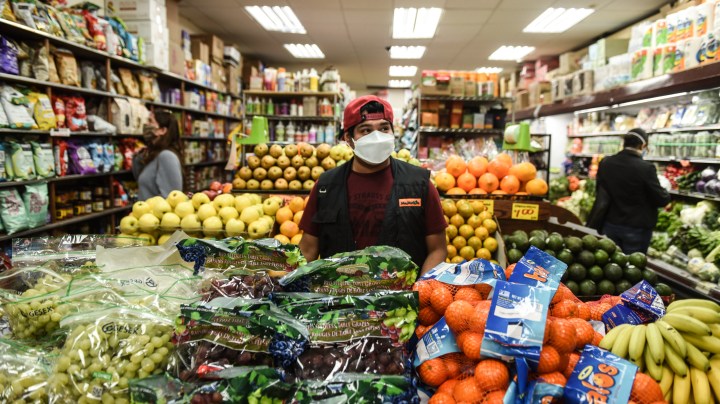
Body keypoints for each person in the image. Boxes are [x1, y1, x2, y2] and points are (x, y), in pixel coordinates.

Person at [299, 95, 447, 273]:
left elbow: (437, 249)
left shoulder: (419, 183)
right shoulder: (326, 186)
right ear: (348, 138)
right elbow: (308, 249)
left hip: (403, 297)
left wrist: (421, 290)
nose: (377, 137)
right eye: (366, 130)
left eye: (384, 128)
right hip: (340, 296)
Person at [594, 128, 670, 254]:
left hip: (610, 223)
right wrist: (666, 192)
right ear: (643, 145)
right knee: (632, 267)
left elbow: (600, 191)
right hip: (636, 228)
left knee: (610, 262)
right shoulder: (646, 168)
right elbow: (661, 199)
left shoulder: (606, 162)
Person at [132, 110, 183, 200]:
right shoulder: (155, 155)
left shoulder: (167, 156)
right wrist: (139, 157)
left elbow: (172, 198)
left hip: (155, 213)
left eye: (150, 121)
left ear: (162, 130)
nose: (146, 124)